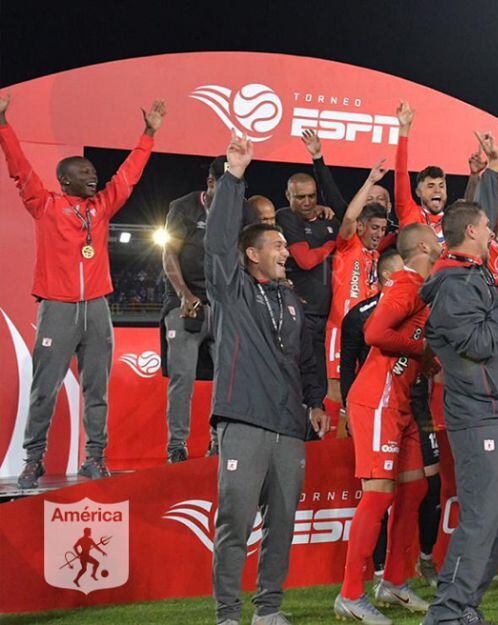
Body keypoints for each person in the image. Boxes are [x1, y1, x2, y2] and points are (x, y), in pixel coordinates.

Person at [1, 94, 166, 489]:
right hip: (57, 308)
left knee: (97, 389)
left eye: (93, 171)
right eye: (86, 172)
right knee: (45, 389)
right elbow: (20, 170)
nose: (94, 176)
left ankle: (96, 459)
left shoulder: (101, 208)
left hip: (96, 308)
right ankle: (33, 460)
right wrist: (3, 126)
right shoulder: (45, 205)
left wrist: (148, 134)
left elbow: (126, 177)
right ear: (65, 179)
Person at [205, 135, 329, 625]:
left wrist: (315, 401)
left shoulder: (292, 301)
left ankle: (268, 610)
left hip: (288, 426)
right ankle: (227, 615)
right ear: (252, 254)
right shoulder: (232, 292)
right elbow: (218, 244)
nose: (285, 251)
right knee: (235, 523)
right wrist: (233, 177)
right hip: (243, 420)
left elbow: (306, 359)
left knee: (282, 524)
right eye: (276, 245)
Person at [420, 201, 498, 625]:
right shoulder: (454, 284)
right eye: (486, 225)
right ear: (472, 232)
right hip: (479, 414)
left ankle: (464, 604)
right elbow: (479, 344)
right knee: (481, 518)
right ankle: (445, 612)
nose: (493, 231)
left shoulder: (472, 275)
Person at [335, 223, 442, 623]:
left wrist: (423, 359)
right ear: (424, 246)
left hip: (402, 399)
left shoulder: (420, 288)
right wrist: (421, 347)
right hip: (378, 398)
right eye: (436, 239)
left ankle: (394, 582)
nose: (441, 243)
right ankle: (350, 594)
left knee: (415, 490)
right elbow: (374, 332)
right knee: (378, 495)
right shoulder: (406, 284)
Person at [161, 156, 243, 463]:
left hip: (223, 305)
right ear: (211, 183)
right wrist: (183, 294)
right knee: (182, 377)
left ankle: (218, 442)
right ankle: (176, 446)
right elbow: (169, 253)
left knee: (228, 378)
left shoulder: (239, 209)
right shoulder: (184, 207)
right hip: (187, 304)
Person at [276, 169, 339, 425]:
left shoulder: (325, 219)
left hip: (327, 315)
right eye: (300, 197)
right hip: (301, 313)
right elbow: (305, 260)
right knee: (298, 374)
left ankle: (312, 429)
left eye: (311, 196)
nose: (307, 202)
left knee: (319, 379)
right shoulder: (286, 217)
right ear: (288, 195)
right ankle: (293, 428)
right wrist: (330, 244)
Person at [325, 161, 390, 405]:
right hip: (339, 330)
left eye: (383, 229)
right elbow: (350, 216)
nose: (379, 234)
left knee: (360, 392)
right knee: (336, 392)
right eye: (374, 227)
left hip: (365, 335)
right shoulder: (349, 245)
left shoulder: (378, 257)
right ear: (361, 226)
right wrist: (370, 181)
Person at [338, 250, 404, 405]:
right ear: (388, 276)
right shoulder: (359, 316)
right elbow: (347, 366)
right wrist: (349, 405)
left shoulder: (419, 310)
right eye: (404, 270)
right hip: (373, 401)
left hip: (407, 400)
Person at [395, 100, 448, 242]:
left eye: (441, 186)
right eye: (430, 186)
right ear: (418, 192)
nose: (437, 190)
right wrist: (404, 130)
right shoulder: (409, 212)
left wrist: (474, 176)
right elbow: (401, 174)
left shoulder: (453, 220)